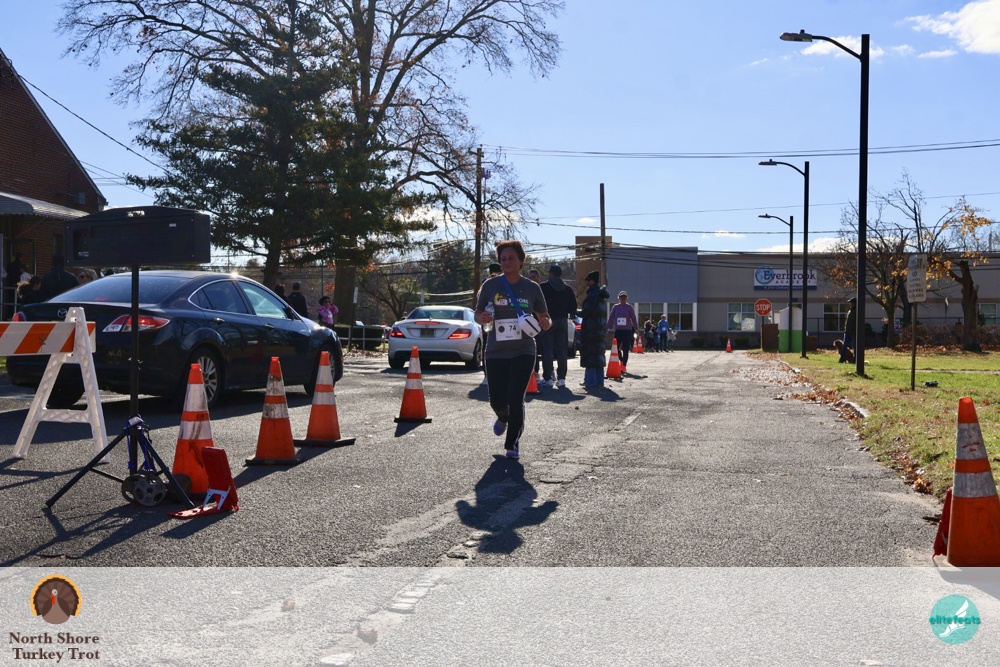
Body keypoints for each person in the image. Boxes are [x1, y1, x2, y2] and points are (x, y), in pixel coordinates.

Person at [474, 240, 551, 460]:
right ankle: (502, 417)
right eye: (503, 259)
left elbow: (545, 316)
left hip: (523, 350)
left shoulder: (532, 288)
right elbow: (477, 313)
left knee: (516, 398)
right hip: (495, 351)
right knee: (497, 400)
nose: (507, 262)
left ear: (521, 261)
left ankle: (512, 444)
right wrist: (482, 317)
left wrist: (546, 322)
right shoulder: (490, 286)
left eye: (511, 258)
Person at [539, 264, 578, 388]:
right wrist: (569, 313)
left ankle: (548, 378)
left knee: (547, 349)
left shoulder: (544, 287)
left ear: (551, 273)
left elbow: (537, 303)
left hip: (548, 320)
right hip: (562, 321)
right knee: (562, 350)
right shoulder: (567, 289)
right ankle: (561, 379)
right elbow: (573, 306)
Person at [578, 271, 610, 388]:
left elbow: (586, 312)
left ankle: (590, 381)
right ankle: (599, 381)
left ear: (592, 281)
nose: (586, 282)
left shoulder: (593, 295)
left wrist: (574, 312)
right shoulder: (601, 295)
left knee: (590, 355)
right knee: (598, 355)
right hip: (599, 329)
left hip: (590, 329)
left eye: (588, 280)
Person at [607, 290, 639, 373]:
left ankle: (624, 365)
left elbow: (633, 318)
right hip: (618, 330)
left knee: (625, 348)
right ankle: (621, 360)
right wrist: (607, 327)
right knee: (616, 347)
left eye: (624, 297)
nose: (623, 299)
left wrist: (636, 328)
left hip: (627, 330)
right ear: (619, 298)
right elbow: (611, 318)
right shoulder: (615, 307)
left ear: (626, 298)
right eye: (621, 297)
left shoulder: (629, 307)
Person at [840, 297, 857, 363]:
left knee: (854, 346)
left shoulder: (856, 311)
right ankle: (842, 358)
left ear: (854, 303)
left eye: (851, 302)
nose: (850, 303)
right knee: (844, 346)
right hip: (847, 331)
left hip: (853, 331)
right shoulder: (850, 311)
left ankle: (855, 359)